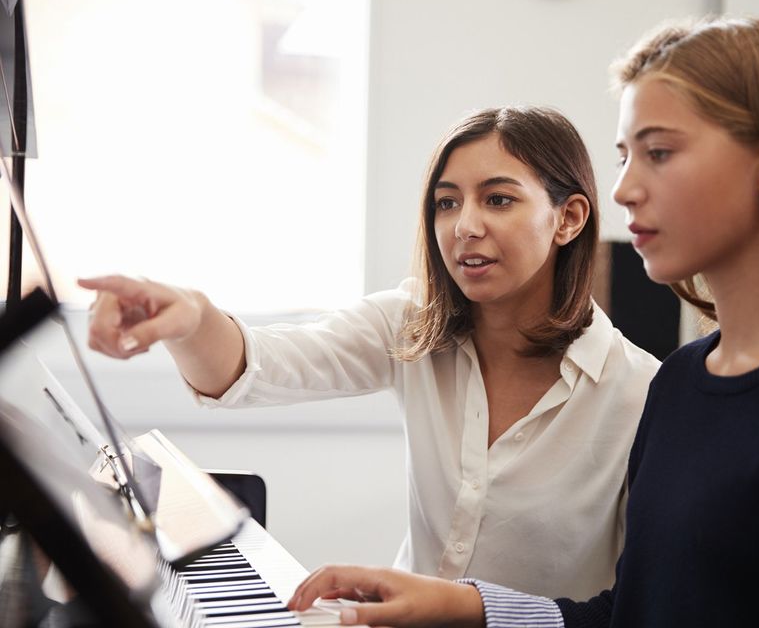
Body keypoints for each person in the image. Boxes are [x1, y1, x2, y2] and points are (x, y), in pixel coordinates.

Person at [284, 17, 759, 628]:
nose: (624, 189)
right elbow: (629, 614)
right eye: (624, 155)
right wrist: (461, 605)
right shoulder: (684, 383)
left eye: (659, 152)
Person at [79, 106, 662, 600]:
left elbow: (644, 602)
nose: (464, 226)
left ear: (569, 218)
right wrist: (190, 319)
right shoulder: (411, 324)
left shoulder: (642, 393)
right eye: (447, 203)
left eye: (499, 200)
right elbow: (258, 364)